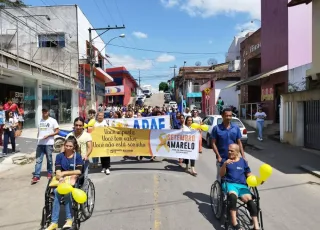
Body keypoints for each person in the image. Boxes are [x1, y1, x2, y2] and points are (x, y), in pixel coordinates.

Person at [45, 136, 83, 230]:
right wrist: (60, 177)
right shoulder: (59, 156)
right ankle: (54, 222)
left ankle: (69, 219)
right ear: (64, 145)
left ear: (74, 147)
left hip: (73, 180)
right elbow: (57, 171)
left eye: (70, 146)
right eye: (66, 145)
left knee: (67, 193)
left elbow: (78, 171)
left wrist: (65, 173)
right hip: (62, 180)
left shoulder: (77, 156)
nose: (68, 148)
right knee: (57, 192)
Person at [220, 144, 260, 230]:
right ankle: (235, 223)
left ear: (237, 152)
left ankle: (256, 226)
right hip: (230, 184)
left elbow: (248, 174)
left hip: (242, 186)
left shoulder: (243, 162)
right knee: (233, 197)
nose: (229, 152)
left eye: (232, 151)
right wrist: (224, 164)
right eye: (228, 150)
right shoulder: (225, 160)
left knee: (250, 201)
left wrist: (258, 180)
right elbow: (221, 175)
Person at [211, 108, 245, 181]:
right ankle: (220, 192)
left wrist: (243, 156)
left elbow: (239, 143)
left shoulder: (235, 128)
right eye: (226, 116)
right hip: (222, 158)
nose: (228, 117)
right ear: (222, 116)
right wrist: (218, 156)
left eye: (230, 116)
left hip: (234, 158)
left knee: (234, 177)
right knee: (221, 178)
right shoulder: (216, 128)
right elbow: (213, 143)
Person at [32, 107, 59, 184]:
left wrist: (49, 135)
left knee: (49, 159)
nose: (44, 113)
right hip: (40, 143)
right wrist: (38, 139)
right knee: (38, 160)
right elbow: (39, 131)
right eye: (43, 112)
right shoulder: (40, 120)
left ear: (48, 112)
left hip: (49, 143)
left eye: (45, 112)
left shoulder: (53, 121)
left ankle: (50, 172)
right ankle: (36, 175)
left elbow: (57, 131)